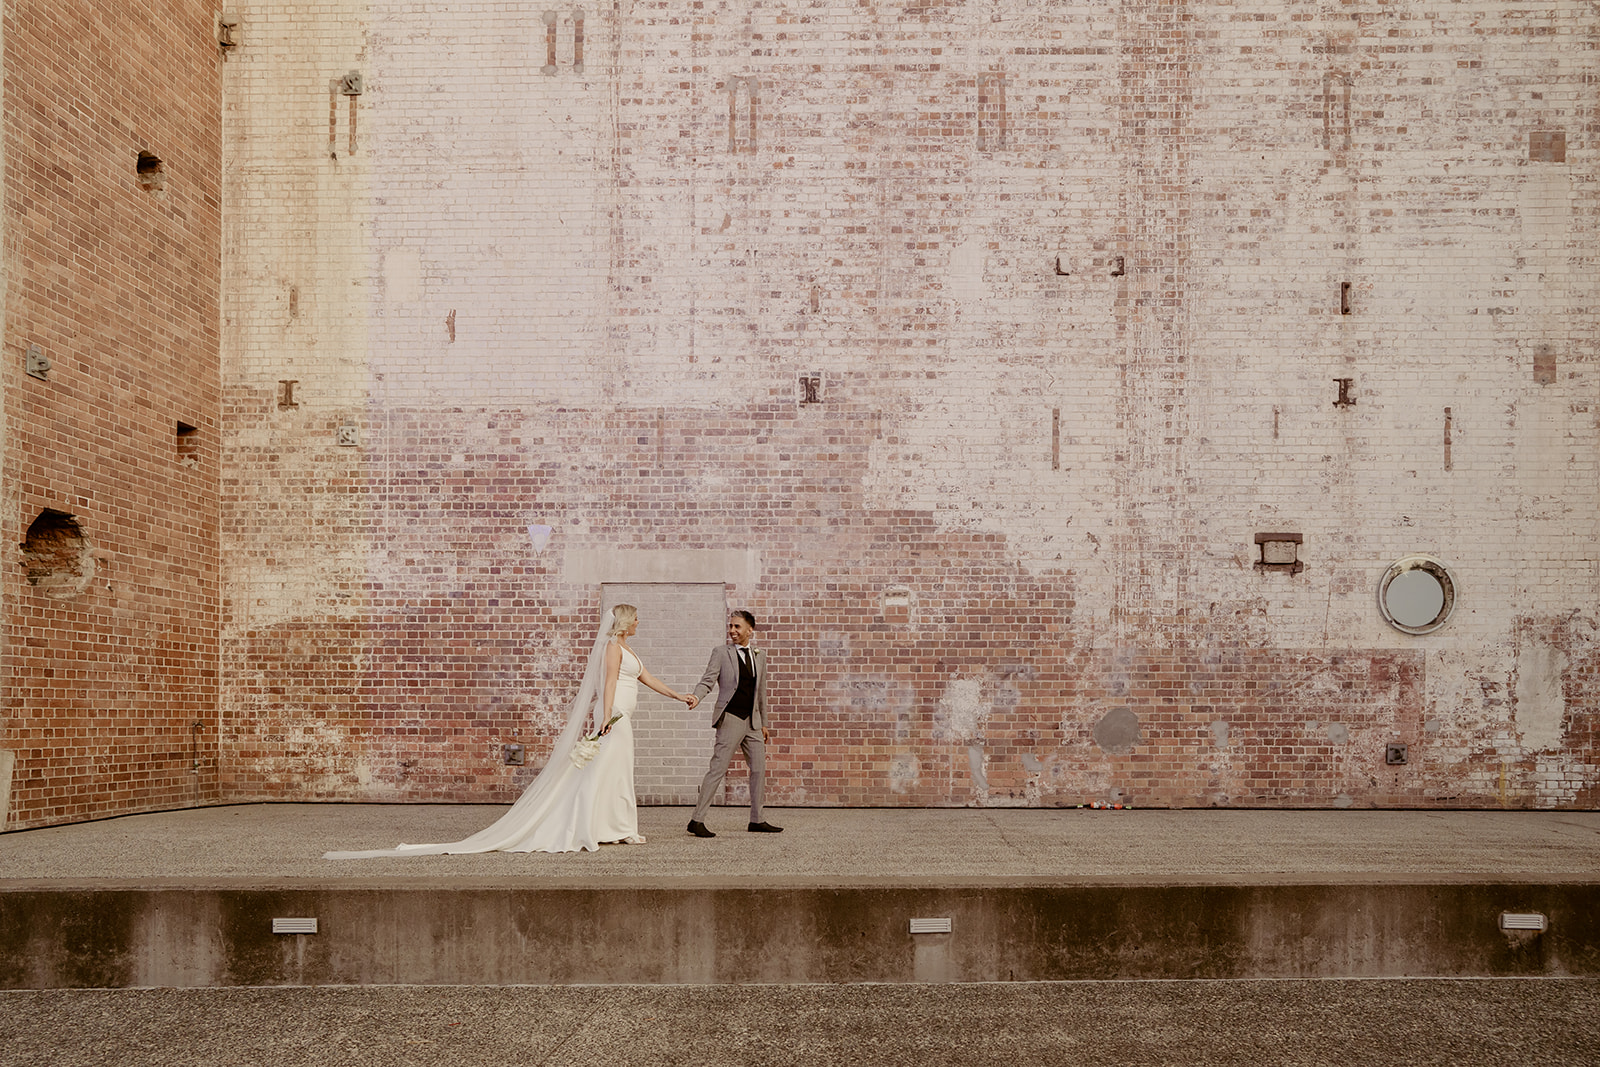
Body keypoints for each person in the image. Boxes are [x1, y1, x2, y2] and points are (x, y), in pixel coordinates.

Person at [324, 604, 698, 857]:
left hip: (621, 717)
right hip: (613, 715)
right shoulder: (613, 649)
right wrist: (606, 715)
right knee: (603, 770)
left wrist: (678, 696)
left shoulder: (630, 649)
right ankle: (596, 825)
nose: (638, 624)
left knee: (617, 772)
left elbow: (648, 678)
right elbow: (611, 682)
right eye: (636, 620)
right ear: (625, 622)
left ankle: (615, 825)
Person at [686, 610, 782, 837]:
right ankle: (696, 820)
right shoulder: (721, 653)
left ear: (750, 630)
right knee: (717, 769)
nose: (732, 630)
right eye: (731, 626)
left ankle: (757, 820)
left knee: (759, 769)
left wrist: (764, 723)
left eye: (737, 627)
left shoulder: (760, 655)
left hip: (754, 722)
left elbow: (761, 693)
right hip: (730, 718)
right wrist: (696, 696)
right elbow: (707, 681)